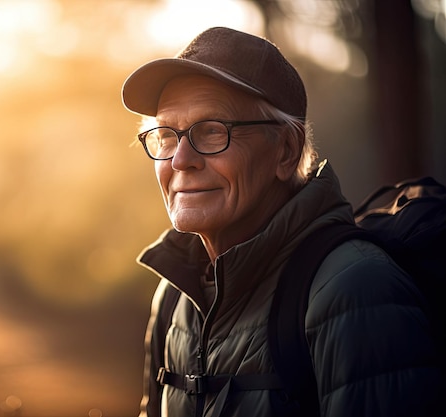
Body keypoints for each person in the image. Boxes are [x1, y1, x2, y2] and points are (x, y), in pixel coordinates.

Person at [120, 27, 441, 417]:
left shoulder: (354, 290)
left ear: (286, 151)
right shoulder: (175, 294)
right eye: (166, 136)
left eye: (211, 131)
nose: (180, 159)